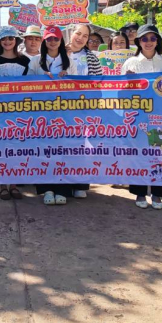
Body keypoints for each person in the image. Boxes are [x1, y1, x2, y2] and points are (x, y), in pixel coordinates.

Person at [122, 24, 162, 210]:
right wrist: (127, 82)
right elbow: (122, 93)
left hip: (160, 116)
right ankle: (139, 192)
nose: (149, 42)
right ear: (138, 41)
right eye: (145, 39)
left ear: (157, 41)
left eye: (152, 39)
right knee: (139, 153)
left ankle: (158, 194)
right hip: (139, 115)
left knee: (159, 153)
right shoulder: (130, 63)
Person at [29, 26, 81, 205]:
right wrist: (41, 79)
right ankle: (46, 189)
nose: (52, 42)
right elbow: (26, 85)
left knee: (63, 151)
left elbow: (78, 86)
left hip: (64, 114)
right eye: (49, 39)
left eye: (56, 39)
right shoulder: (36, 62)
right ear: (44, 41)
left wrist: (67, 78)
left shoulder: (69, 61)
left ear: (60, 41)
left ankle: (63, 189)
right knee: (44, 152)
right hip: (42, 115)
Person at [0, 26, 31, 201]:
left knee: (16, 148)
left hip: (19, 110)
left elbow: (31, 84)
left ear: (16, 41)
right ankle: (2, 186)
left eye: (11, 38)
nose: (7, 42)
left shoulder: (25, 61)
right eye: (4, 39)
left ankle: (14, 184)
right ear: (0, 41)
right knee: (0, 147)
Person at [64, 23, 103, 199]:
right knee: (62, 146)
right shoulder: (59, 52)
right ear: (71, 33)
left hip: (83, 108)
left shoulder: (92, 58)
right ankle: (62, 184)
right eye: (78, 33)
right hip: (60, 108)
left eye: (85, 36)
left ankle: (80, 184)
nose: (80, 38)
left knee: (81, 146)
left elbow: (98, 84)